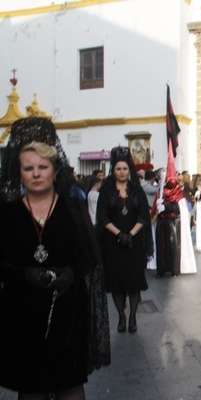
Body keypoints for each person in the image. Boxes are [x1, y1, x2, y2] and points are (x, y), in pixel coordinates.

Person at [0, 117, 110, 399]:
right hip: (23, 313)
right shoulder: (8, 213)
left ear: (54, 170)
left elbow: (88, 256)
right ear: (19, 172)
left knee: (69, 386)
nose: (36, 174)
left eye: (43, 167)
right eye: (29, 168)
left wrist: (71, 273)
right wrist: (24, 273)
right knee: (31, 389)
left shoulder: (72, 209)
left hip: (67, 311)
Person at [97, 147, 151, 334]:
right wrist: (119, 234)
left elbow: (143, 216)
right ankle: (121, 315)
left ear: (130, 170)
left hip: (134, 245)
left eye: (125, 169)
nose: (121, 172)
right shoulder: (106, 191)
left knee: (134, 282)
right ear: (113, 170)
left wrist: (131, 234)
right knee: (117, 284)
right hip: (113, 244)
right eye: (118, 169)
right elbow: (102, 217)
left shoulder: (137, 190)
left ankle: (133, 316)